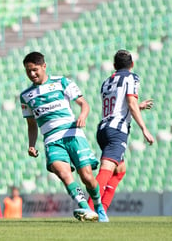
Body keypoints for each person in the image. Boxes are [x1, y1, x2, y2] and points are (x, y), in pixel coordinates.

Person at [19, 51, 108, 222]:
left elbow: (84, 104)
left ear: (44, 66)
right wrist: (32, 145)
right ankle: (85, 208)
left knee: (87, 177)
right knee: (63, 173)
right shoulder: (25, 96)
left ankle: (98, 206)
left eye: (35, 70)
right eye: (28, 71)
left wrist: (83, 115)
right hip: (52, 140)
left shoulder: (62, 82)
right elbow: (31, 125)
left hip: (72, 134)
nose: (32, 74)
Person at [87, 50, 154, 212]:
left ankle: (102, 208)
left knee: (119, 171)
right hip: (117, 131)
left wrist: (139, 107)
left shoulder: (106, 81)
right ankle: (89, 208)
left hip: (103, 129)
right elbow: (130, 103)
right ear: (132, 64)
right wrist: (144, 129)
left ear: (114, 66)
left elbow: (118, 107)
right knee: (107, 170)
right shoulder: (132, 78)